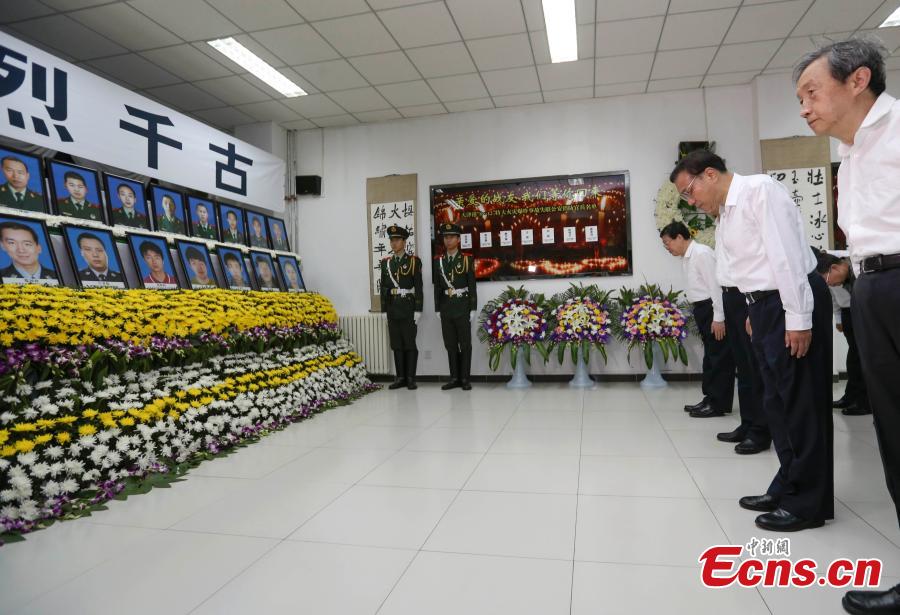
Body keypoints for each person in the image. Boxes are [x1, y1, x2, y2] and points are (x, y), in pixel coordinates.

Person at [670, 150, 833, 533]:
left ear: (710, 174)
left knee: (800, 404)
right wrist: (752, 311)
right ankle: (788, 484)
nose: (691, 201)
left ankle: (808, 503)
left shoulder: (759, 191)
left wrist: (797, 317)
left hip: (789, 302)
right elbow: (748, 268)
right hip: (764, 307)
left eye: (689, 191)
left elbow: (786, 257)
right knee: (775, 402)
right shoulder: (726, 213)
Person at [793, 36, 900, 614]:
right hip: (872, 288)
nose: (805, 108)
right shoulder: (852, 152)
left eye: (812, 93)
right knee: (894, 434)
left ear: (858, 80)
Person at [660, 222, 735, 420]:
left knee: (719, 357)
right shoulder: (687, 257)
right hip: (702, 309)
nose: (667, 247)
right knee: (710, 356)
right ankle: (710, 398)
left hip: (712, 309)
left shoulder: (702, 253)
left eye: (667, 242)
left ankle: (718, 404)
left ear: (679, 237)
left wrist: (719, 318)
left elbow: (716, 287)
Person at [715, 232, 772, 455]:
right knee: (743, 366)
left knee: (754, 367)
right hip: (729, 296)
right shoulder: (722, 223)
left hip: (745, 296)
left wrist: (751, 307)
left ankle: (761, 430)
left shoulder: (741, 217)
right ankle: (747, 423)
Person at [816, 252, 869, 416]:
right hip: (847, 314)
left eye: (827, 279)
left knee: (863, 358)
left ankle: (865, 402)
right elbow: (833, 298)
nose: (828, 283)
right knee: (854, 358)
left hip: (864, 312)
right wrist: (838, 318)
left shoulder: (859, 270)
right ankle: (851, 396)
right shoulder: (832, 278)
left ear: (835, 268)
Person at [433, 222, 477, 390]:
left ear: (458, 239)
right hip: (446, 307)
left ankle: (465, 378)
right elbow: (437, 287)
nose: (448, 240)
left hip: (462, 306)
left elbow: (472, 285)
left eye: (451, 237)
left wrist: (473, 307)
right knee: (450, 344)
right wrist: (437, 308)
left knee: (465, 344)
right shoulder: (439, 261)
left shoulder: (466, 259)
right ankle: (454, 378)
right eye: (446, 237)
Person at [379, 225, 423, 390]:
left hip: (408, 307)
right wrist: (384, 310)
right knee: (396, 344)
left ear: (404, 242)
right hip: (392, 308)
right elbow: (383, 288)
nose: (394, 243)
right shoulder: (386, 263)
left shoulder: (413, 262)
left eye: (397, 240)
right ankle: (400, 377)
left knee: (409, 343)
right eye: (392, 240)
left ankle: (410, 378)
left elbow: (419, 287)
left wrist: (418, 309)